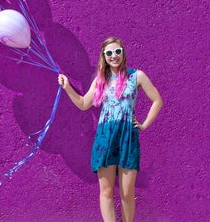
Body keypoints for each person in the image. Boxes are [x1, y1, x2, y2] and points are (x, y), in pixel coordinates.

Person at [58, 37, 163, 222]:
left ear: (123, 53)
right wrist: (67, 87)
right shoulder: (101, 80)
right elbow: (83, 103)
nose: (114, 56)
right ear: (104, 57)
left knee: (126, 192)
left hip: (127, 137)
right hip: (105, 136)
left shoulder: (137, 76)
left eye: (117, 52)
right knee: (106, 191)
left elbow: (157, 100)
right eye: (109, 53)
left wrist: (144, 124)